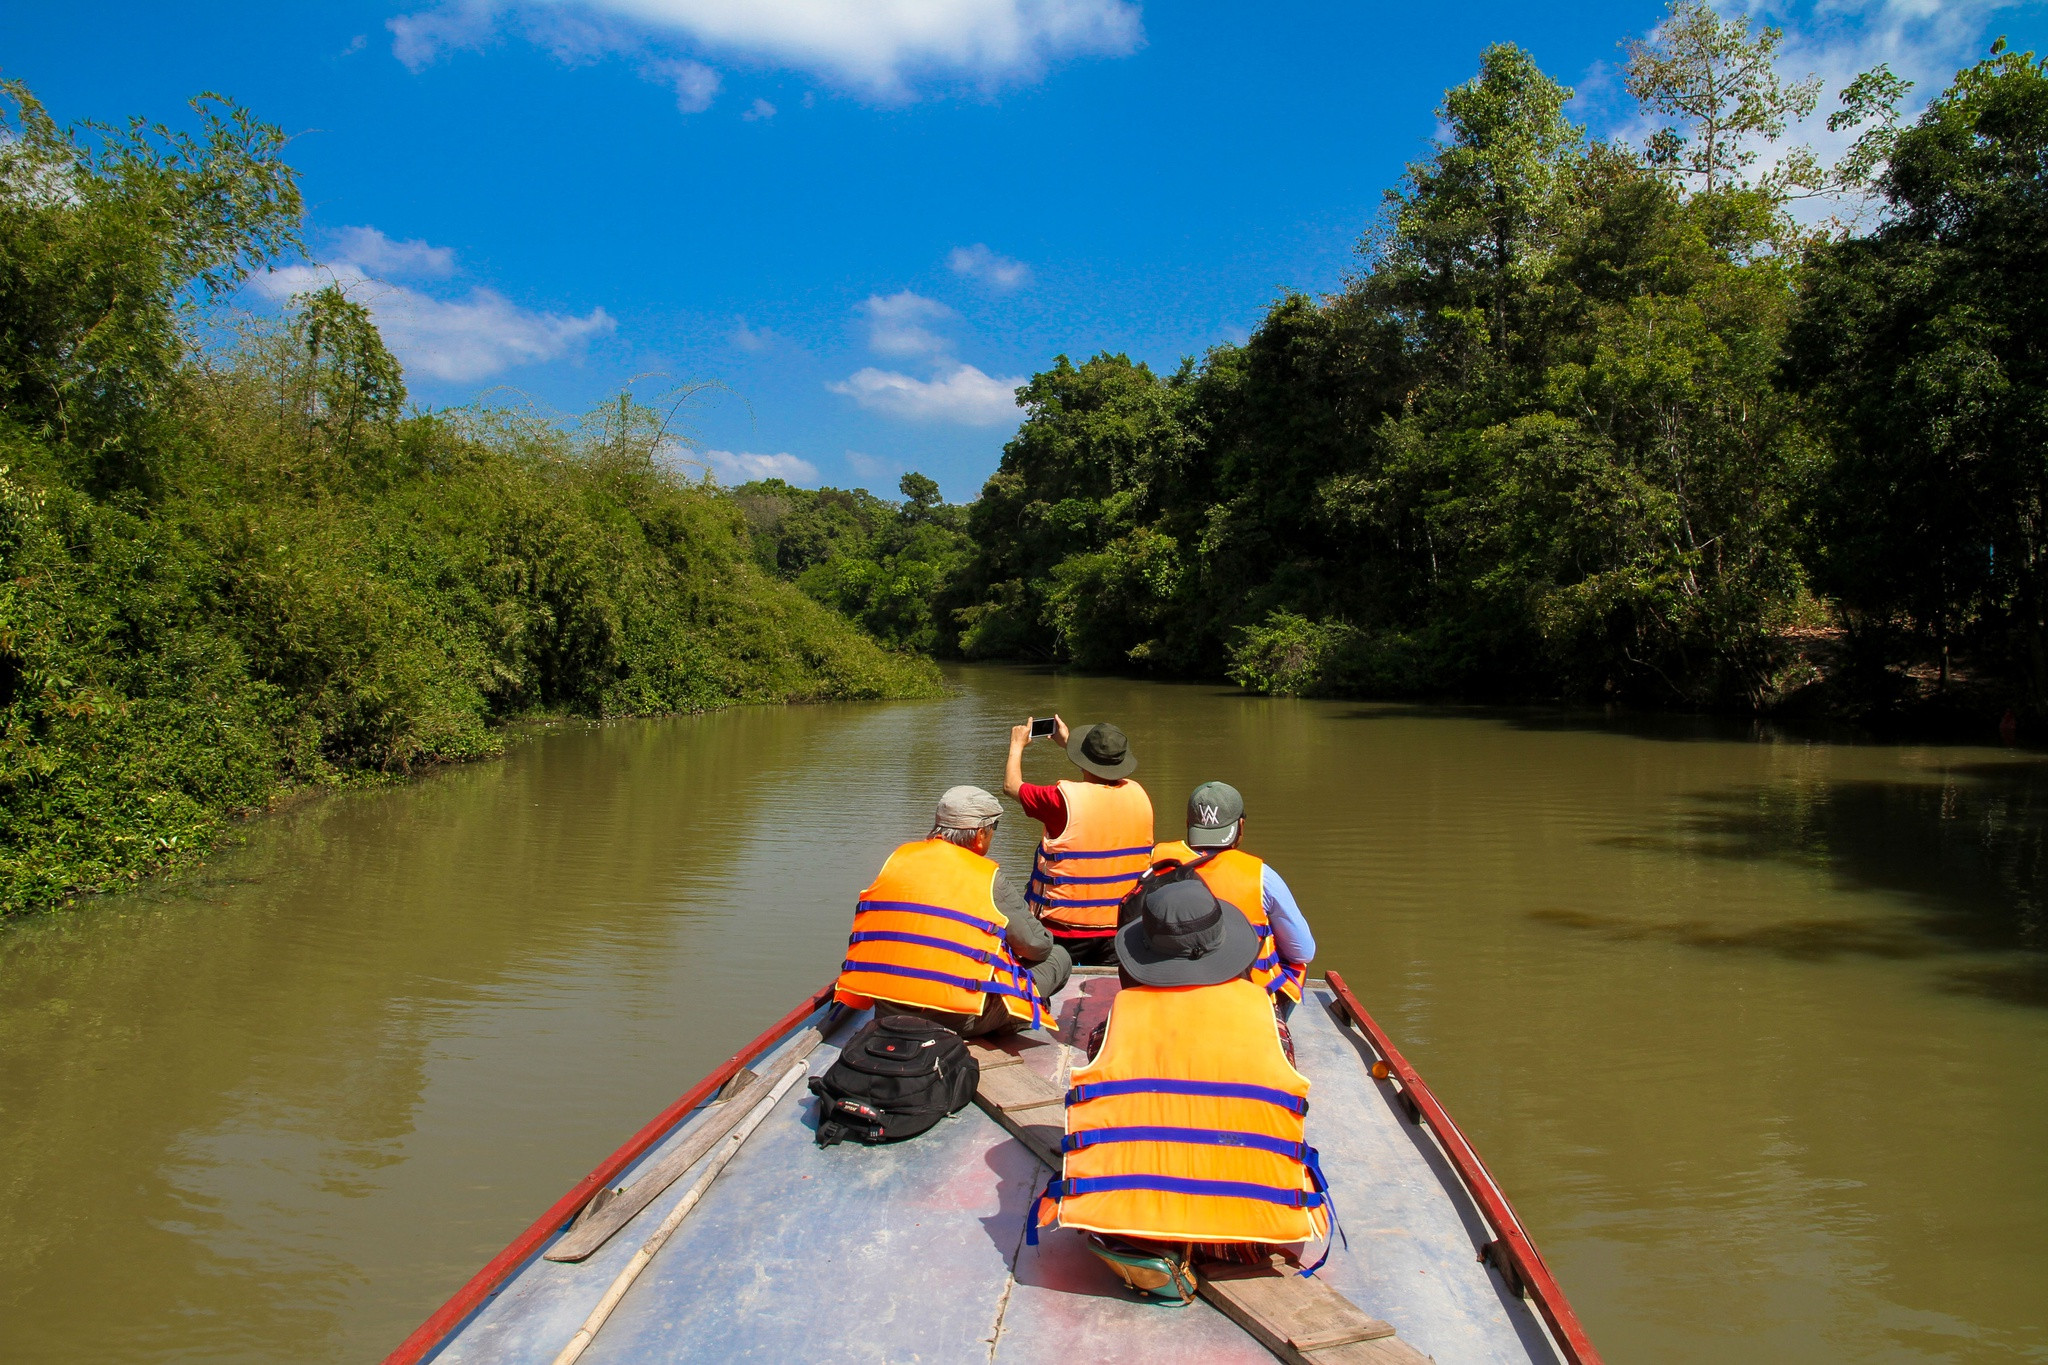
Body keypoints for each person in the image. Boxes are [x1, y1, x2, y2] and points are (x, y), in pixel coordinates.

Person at [1028, 878, 1331, 1303]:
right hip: (1248, 1229)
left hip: (1136, 1221)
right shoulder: (1269, 1018)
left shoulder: (1114, 1022)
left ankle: (1158, 1245)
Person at [835, 786, 1072, 1038]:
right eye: (994, 829)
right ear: (980, 834)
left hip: (887, 1005)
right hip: (956, 1016)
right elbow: (1037, 947)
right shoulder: (987, 877)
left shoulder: (896, 860)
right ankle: (1012, 1020)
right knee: (1058, 957)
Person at [1146, 781, 1316, 1014]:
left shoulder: (1156, 862)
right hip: (1245, 997)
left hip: (1170, 986)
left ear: (1188, 824)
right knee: (1296, 963)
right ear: (1241, 826)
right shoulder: (1261, 876)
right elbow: (1303, 951)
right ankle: (1272, 1019)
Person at [1004, 716, 1155, 966]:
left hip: (1064, 932)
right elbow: (1097, 784)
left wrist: (1017, 745)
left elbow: (1011, 786)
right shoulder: (1140, 795)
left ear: (1084, 762)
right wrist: (1070, 746)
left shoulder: (1059, 800)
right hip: (1122, 929)